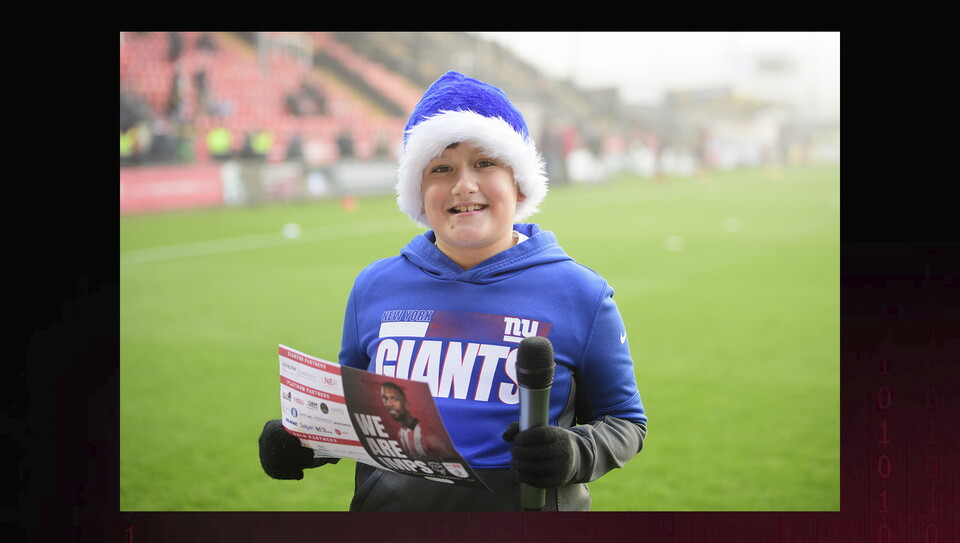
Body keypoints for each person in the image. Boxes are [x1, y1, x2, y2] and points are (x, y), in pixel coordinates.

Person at [258, 71, 647, 511]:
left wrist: (575, 452)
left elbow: (626, 422)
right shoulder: (374, 286)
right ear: (419, 192)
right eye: (441, 169)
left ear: (519, 181)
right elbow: (357, 415)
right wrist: (305, 442)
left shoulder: (582, 294)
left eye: (485, 163)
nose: (463, 185)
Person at [380, 382, 457, 461]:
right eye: (385, 399)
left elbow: (451, 460)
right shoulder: (401, 434)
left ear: (406, 404)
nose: (389, 404)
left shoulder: (426, 434)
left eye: (394, 399)